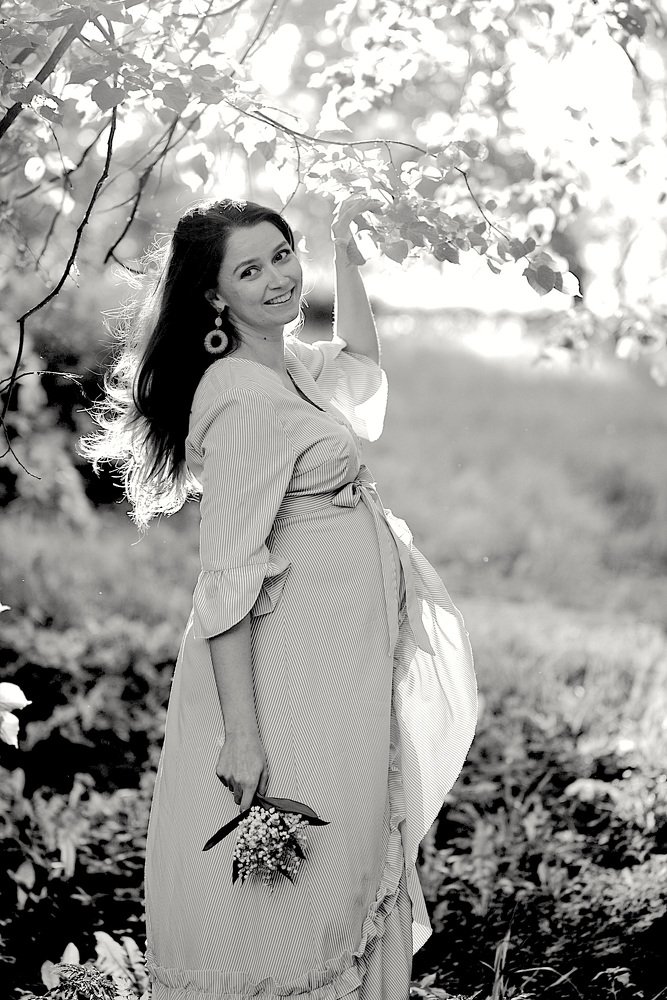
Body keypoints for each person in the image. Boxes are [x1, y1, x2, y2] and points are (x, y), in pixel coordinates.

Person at [80, 196, 477, 1000]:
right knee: (301, 871)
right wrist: (242, 734)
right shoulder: (240, 394)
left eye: (283, 255)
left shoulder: (282, 363)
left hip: (333, 661)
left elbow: (359, 366)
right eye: (249, 270)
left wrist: (346, 252)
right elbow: (227, 573)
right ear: (213, 295)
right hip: (285, 672)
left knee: (348, 843)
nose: (277, 279)